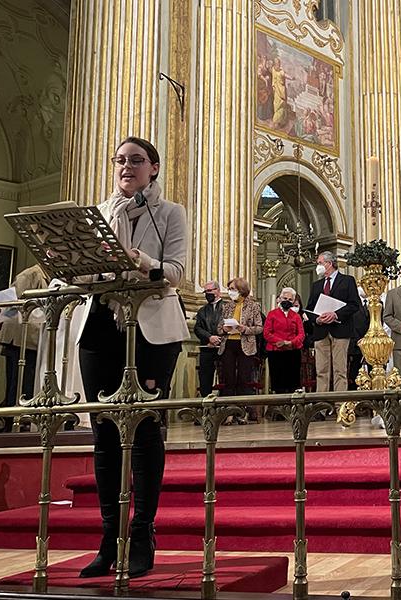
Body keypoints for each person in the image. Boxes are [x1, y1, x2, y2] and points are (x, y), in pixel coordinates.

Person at [76, 136, 189, 579]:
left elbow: (176, 272)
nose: (127, 167)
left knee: (143, 435)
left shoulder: (170, 213)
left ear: (154, 168)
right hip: (101, 325)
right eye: (120, 160)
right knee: (103, 435)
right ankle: (108, 540)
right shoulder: (101, 213)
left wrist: (138, 258)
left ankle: (142, 535)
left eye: (136, 160)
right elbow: (86, 270)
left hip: (151, 331)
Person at [0, 265, 49, 431]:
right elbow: (11, 298)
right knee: (18, 381)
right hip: (20, 336)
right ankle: (12, 422)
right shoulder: (31, 273)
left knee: (25, 380)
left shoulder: (46, 276)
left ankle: (19, 420)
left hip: (30, 337)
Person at [306, 251, 361, 392]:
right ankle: (321, 405)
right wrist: (316, 319)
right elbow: (309, 309)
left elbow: (355, 305)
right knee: (321, 370)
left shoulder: (347, 280)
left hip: (340, 331)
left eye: (319, 263)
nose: (318, 266)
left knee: (340, 370)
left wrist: (335, 315)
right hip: (321, 331)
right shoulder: (316, 285)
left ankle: (340, 405)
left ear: (329, 264)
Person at [216, 277, 264, 415]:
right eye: (229, 289)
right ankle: (228, 412)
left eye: (233, 289)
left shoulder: (253, 306)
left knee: (244, 378)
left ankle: (243, 411)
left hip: (245, 345)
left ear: (242, 290)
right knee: (228, 378)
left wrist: (245, 329)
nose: (230, 292)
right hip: (229, 343)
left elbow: (259, 328)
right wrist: (223, 329)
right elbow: (219, 327)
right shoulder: (227, 306)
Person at [263, 287, 305, 394]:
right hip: (276, 351)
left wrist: (290, 342)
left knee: (293, 384)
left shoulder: (296, 316)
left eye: (290, 299)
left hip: (293, 351)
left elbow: (301, 334)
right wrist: (279, 341)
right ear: (280, 299)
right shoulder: (272, 314)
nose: (287, 301)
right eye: (285, 298)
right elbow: (267, 333)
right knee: (278, 384)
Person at [194, 280, 223, 397]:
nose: (207, 293)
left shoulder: (228, 307)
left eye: (209, 291)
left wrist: (219, 339)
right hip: (207, 348)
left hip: (223, 348)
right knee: (205, 379)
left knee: (225, 378)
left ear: (218, 291)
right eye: (205, 291)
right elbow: (197, 328)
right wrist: (209, 337)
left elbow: (230, 325)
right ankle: (205, 405)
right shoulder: (202, 310)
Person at [348, 286, 370, 390]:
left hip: (371, 344)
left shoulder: (378, 303)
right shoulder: (353, 304)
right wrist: (359, 340)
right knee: (354, 372)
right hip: (356, 344)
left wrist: (368, 340)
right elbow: (350, 324)